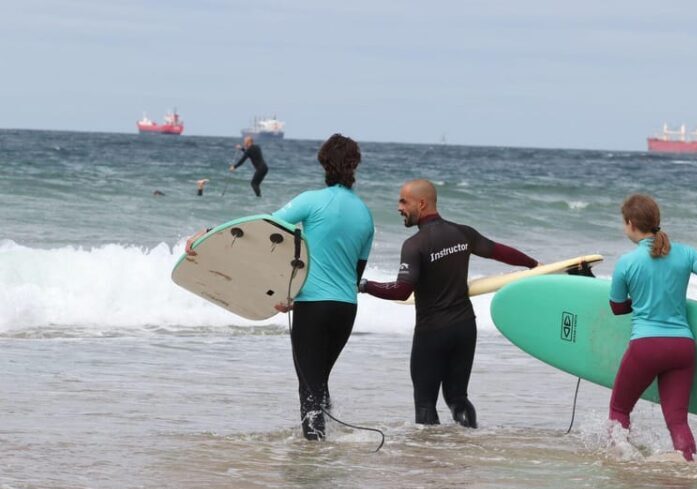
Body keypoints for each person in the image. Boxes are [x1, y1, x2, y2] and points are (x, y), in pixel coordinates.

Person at [185, 134, 373, 441]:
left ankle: (314, 457)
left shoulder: (311, 200)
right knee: (319, 380)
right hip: (345, 309)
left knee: (308, 385)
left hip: (314, 307)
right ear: (355, 165)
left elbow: (260, 230)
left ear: (323, 162)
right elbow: (353, 274)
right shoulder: (365, 214)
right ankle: (329, 449)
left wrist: (208, 234)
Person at [358, 179, 538, 428]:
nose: (398, 207)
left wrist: (365, 285)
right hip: (464, 328)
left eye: (403, 201)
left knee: (425, 404)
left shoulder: (414, 245)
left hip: (432, 332)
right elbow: (500, 252)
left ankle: (430, 460)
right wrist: (534, 265)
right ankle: (467, 444)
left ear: (421, 204)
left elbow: (401, 290)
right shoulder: (462, 233)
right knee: (457, 397)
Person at [607, 193, 697, 461]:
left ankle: (620, 464)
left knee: (619, 410)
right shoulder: (685, 252)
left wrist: (641, 304)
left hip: (646, 347)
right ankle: (688, 466)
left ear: (630, 223)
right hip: (683, 347)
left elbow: (616, 308)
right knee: (677, 421)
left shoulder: (626, 262)